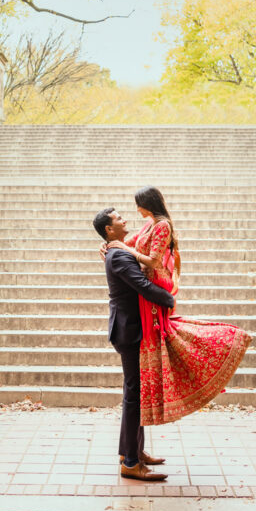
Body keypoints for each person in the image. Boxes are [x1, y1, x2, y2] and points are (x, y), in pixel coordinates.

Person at [103, 186, 252, 426]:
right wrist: (108, 245)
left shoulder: (162, 225)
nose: (135, 210)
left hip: (156, 286)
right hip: (145, 293)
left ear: (147, 203)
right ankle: (134, 451)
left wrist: (124, 248)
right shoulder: (149, 225)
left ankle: (224, 343)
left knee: (167, 337)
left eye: (138, 204)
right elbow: (124, 243)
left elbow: (152, 259)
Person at [93, 206, 175, 482]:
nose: (125, 219)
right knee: (133, 395)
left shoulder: (117, 250)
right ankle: (130, 461)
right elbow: (142, 284)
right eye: (118, 219)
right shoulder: (118, 256)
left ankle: (132, 452)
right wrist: (169, 299)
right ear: (108, 229)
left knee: (135, 394)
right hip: (129, 331)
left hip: (129, 329)